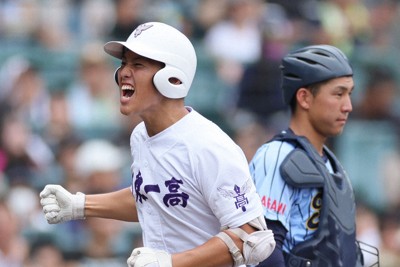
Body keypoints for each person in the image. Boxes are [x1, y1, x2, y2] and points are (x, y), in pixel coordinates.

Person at [39, 21, 275, 267]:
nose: (123, 73)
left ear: (173, 78)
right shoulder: (141, 135)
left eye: (138, 64)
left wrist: (172, 262)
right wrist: (81, 204)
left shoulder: (209, 145)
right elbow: (151, 198)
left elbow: (252, 237)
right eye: (123, 64)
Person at [249, 44, 378, 266]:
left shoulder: (331, 164)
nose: (348, 106)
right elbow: (264, 251)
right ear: (304, 98)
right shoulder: (278, 156)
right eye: (338, 94)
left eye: (350, 94)